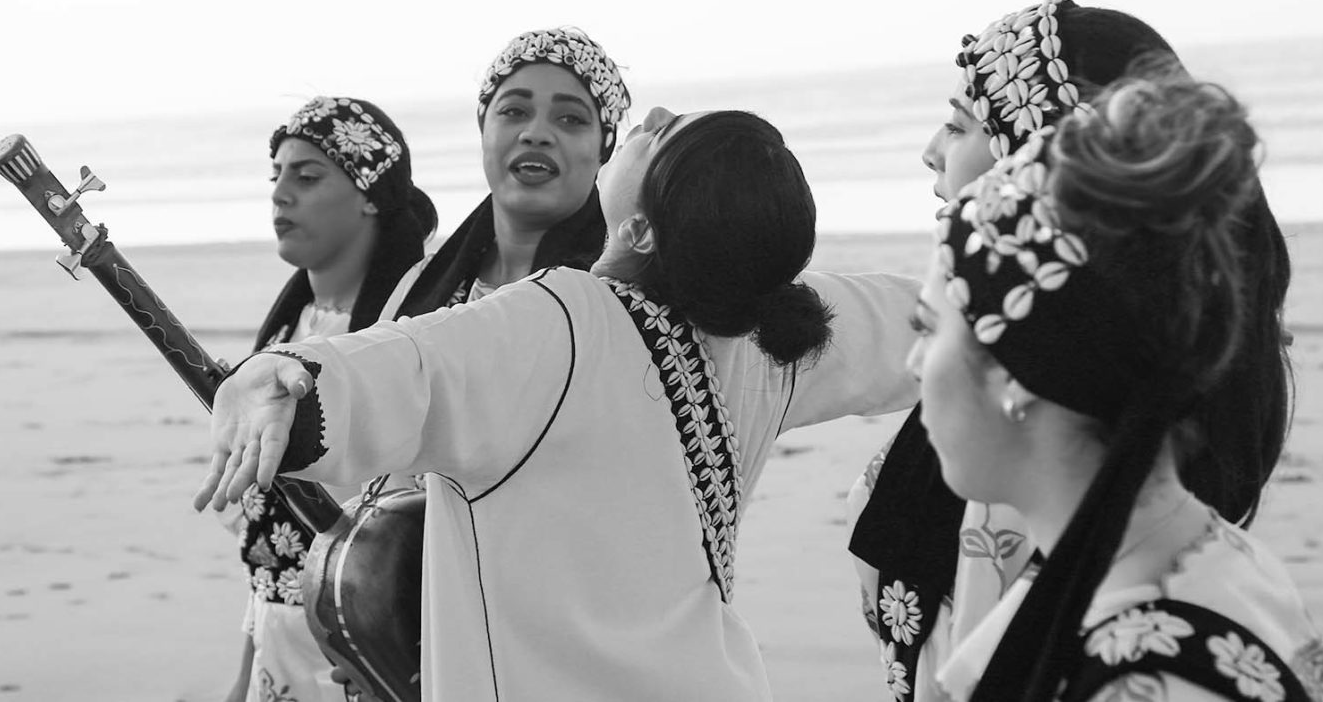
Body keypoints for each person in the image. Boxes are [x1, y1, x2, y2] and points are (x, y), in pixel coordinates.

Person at [195, 108, 922, 700]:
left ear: (639, 229)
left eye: (664, 134)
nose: (655, 112)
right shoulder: (770, 323)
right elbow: (918, 319)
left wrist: (285, 374)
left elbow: (418, 363)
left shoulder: (561, 318)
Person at [845, 0, 1296, 700]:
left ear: (1015, 366)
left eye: (930, 331)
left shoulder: (1147, 663)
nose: (932, 150)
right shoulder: (1180, 555)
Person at [222, 96, 437, 702]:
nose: (280, 194)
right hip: (278, 651)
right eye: (277, 175)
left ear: (371, 193)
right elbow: (270, 539)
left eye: (307, 176)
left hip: (368, 658)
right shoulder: (287, 335)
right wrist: (245, 673)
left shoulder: (404, 343)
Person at [380, 26, 629, 317]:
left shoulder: (625, 299)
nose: (536, 134)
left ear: (606, 145)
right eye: (514, 111)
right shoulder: (419, 283)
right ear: (483, 123)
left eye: (570, 118)